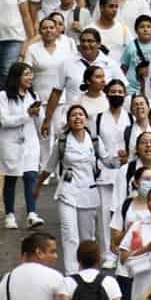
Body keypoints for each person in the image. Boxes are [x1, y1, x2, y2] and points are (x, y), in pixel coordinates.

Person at [34, 105, 102, 273]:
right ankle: (71, 272)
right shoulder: (62, 142)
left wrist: (120, 158)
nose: (77, 118)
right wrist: (37, 186)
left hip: (88, 192)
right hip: (67, 192)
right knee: (69, 233)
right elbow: (49, 166)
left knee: (87, 237)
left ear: (86, 119)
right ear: (69, 120)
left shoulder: (94, 140)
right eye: (73, 115)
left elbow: (108, 160)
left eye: (80, 114)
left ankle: (88, 271)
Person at [0, 62, 44, 231]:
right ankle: (10, 215)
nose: (30, 78)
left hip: (30, 142)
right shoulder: (3, 96)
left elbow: (39, 121)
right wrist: (27, 114)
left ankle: (32, 213)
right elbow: (5, 120)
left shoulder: (33, 95)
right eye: (26, 74)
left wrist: (39, 116)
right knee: (10, 178)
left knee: (31, 177)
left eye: (31, 74)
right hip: (11, 143)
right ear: (17, 77)